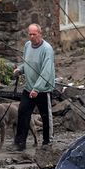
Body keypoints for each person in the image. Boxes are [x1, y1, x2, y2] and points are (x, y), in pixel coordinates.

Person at [11, 23, 55, 151]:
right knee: (23, 113)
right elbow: (27, 64)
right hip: (29, 87)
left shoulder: (47, 49)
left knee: (45, 116)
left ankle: (47, 142)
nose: (31, 37)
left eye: (34, 34)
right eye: (29, 34)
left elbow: (46, 71)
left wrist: (37, 88)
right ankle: (20, 143)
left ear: (40, 34)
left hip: (43, 89)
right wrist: (19, 70)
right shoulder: (27, 46)